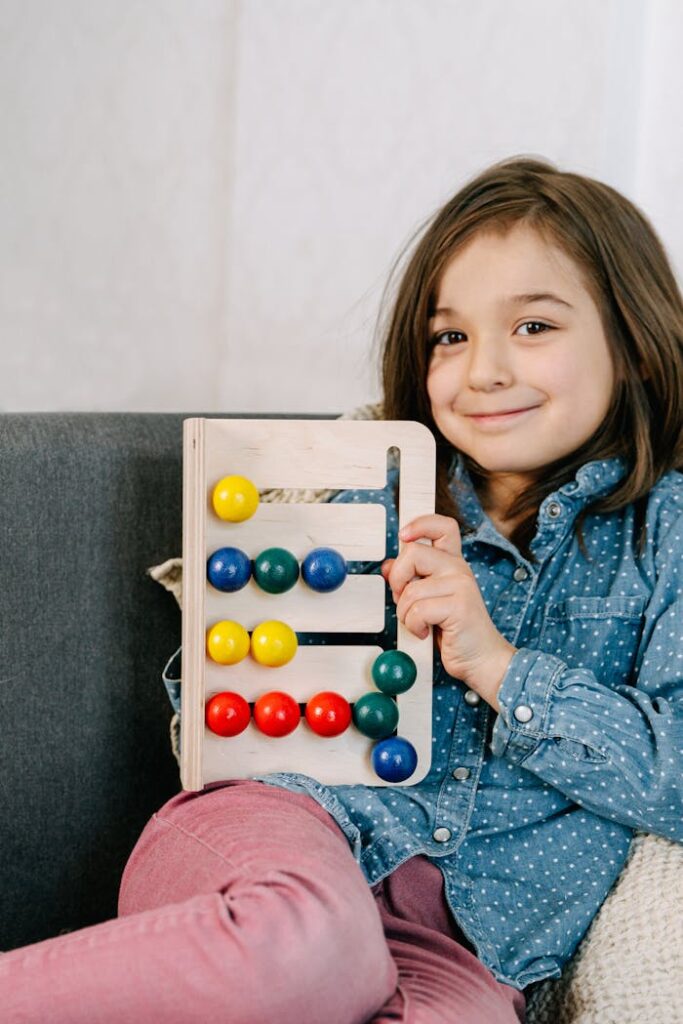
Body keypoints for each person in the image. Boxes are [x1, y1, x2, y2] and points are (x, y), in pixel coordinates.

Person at [3, 156, 682, 1024]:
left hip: (474, 948)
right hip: (283, 846)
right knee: (304, 949)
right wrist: (273, 605)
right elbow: (227, 705)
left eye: (532, 327)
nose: (481, 371)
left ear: (633, 347)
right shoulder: (376, 496)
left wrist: (500, 667)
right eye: (449, 336)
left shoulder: (661, 536)